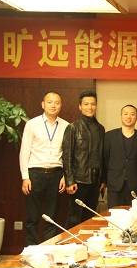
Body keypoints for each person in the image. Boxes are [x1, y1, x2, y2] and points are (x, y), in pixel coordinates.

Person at [19, 91, 68, 245]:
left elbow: (67, 154)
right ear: (43, 104)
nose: (53, 105)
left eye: (57, 102)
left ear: (61, 105)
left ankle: (48, 249)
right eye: (49, 102)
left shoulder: (66, 126)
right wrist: (25, 177)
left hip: (56, 175)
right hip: (35, 174)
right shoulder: (32, 124)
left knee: (51, 217)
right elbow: (24, 151)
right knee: (32, 216)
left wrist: (65, 176)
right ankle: (31, 249)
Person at [62, 90, 105, 228]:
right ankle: (71, 241)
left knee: (90, 218)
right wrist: (69, 181)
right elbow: (67, 156)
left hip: (95, 181)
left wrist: (102, 180)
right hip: (78, 181)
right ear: (80, 106)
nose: (90, 107)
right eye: (86, 104)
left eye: (93, 104)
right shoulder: (73, 127)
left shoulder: (100, 129)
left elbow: (102, 155)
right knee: (74, 218)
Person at [102, 105, 137, 208]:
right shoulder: (109, 136)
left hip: (135, 185)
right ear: (121, 116)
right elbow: (105, 160)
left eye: (132, 114)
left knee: (135, 214)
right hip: (114, 185)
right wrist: (104, 181)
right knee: (114, 214)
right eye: (125, 114)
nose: (128, 117)